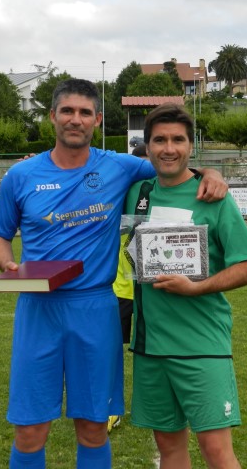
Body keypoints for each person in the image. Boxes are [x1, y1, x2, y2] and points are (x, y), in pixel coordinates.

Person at [0, 79, 229, 469]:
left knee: (93, 428)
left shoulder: (118, 166)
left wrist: (211, 171)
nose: (75, 120)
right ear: (52, 116)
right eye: (67, 111)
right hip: (38, 309)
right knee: (29, 430)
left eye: (85, 113)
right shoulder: (21, 175)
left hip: (96, 309)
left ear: (97, 120)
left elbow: (170, 162)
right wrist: (7, 264)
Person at [125, 103, 247, 469]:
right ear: (148, 146)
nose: (169, 148)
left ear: (191, 146)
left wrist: (196, 288)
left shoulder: (213, 196)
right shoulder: (137, 191)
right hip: (151, 347)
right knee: (169, 448)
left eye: (178, 140)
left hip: (201, 344)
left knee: (216, 451)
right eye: (160, 140)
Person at [108, 143, 148, 433]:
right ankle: (111, 407)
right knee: (111, 350)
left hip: (156, 290)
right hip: (120, 287)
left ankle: (156, 403)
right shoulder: (118, 192)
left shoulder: (164, 191)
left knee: (154, 350)